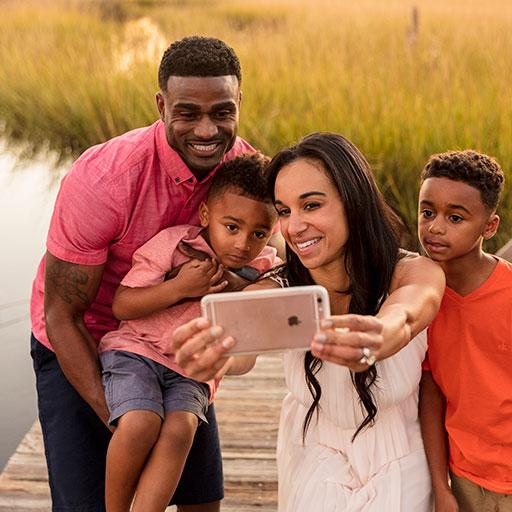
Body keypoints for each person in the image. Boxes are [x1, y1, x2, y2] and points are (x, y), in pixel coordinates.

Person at [30, 35, 257, 512]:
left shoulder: (246, 172)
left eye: (222, 112)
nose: (206, 129)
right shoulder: (104, 179)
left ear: (239, 102)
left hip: (177, 349)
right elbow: (62, 314)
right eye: (188, 112)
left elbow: (267, 264)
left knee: (201, 500)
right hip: (85, 338)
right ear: (161, 104)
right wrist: (122, 416)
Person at [170, 132, 446, 511]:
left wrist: (377, 336)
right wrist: (218, 352)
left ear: (353, 201)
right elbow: (240, 345)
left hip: (399, 456)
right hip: (313, 452)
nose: (294, 227)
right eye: (284, 211)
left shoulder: (412, 271)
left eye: (311, 206)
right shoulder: (280, 287)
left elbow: (408, 312)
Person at [97, 153, 279, 512]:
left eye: (259, 233)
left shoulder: (264, 270)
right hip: (137, 351)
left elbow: (253, 338)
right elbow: (122, 305)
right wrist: (179, 288)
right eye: (232, 227)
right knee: (140, 423)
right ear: (207, 215)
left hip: (192, 372)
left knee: (181, 429)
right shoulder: (174, 245)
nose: (243, 244)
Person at [417, 150, 512, 512]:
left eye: (455, 218)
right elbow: (432, 394)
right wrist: (441, 487)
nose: (435, 227)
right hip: (464, 478)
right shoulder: (421, 298)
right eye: (428, 212)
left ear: (489, 227)